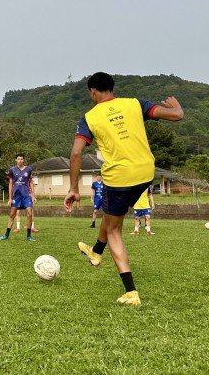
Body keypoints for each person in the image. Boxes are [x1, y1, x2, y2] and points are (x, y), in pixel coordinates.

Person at [64, 72, 183, 307]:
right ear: (112, 88)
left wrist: (73, 188)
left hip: (119, 178)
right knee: (112, 215)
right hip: (146, 173)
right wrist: (177, 107)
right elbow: (176, 115)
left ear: (93, 92)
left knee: (114, 230)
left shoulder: (89, 117)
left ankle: (131, 292)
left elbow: (76, 153)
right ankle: (96, 252)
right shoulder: (135, 104)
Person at [0, 154, 37, 242]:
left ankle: (29, 236)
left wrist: (33, 196)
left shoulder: (29, 169)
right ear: (16, 160)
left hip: (26, 195)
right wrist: (10, 198)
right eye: (18, 159)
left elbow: (31, 183)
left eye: (21, 159)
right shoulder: (12, 170)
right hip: (16, 196)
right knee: (12, 215)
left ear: (23, 160)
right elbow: (11, 184)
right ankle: (6, 235)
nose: (20, 160)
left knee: (30, 214)